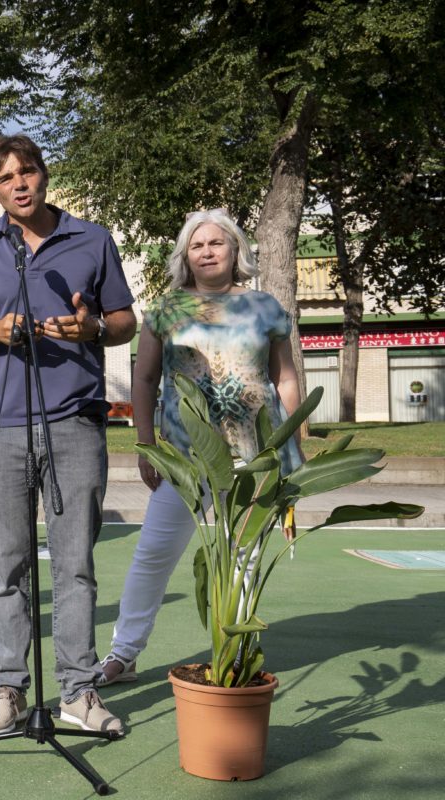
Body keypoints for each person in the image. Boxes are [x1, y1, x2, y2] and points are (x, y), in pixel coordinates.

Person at [0, 135, 136, 735]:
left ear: (44, 175)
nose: (18, 184)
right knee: (7, 564)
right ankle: (8, 687)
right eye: (5, 178)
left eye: (27, 172)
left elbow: (125, 320)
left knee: (75, 562)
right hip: (1, 425)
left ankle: (79, 691)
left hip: (75, 420)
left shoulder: (92, 239)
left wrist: (92, 327)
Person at [98, 209, 303, 687]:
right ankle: (122, 654)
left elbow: (286, 379)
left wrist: (292, 444)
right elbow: (145, 380)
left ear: (236, 251)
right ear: (184, 256)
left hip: (257, 454)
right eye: (197, 245)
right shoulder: (167, 310)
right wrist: (146, 445)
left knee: (245, 556)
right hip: (186, 458)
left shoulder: (265, 308)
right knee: (153, 554)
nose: (207, 251)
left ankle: (235, 650)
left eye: (217, 243)